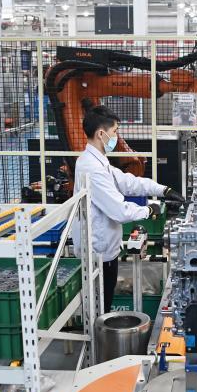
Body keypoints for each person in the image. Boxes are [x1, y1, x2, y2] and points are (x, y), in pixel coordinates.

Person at [73, 104, 185, 313]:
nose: (116, 137)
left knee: (103, 304)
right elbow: (119, 211)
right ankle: (98, 334)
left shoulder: (99, 162)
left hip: (105, 248)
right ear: (101, 134)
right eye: (115, 131)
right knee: (100, 307)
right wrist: (149, 211)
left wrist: (163, 190)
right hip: (98, 251)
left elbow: (128, 182)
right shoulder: (91, 168)